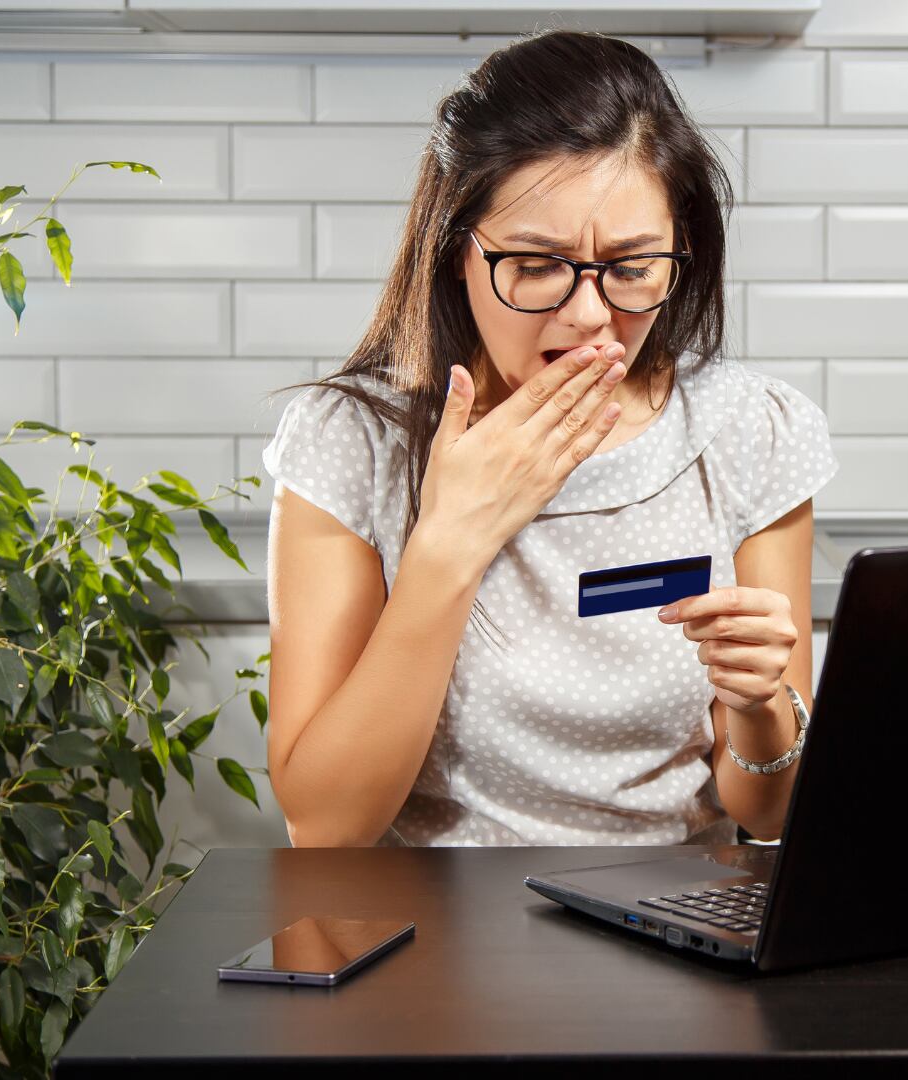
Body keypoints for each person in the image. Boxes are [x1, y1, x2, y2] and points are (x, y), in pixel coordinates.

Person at [259, 30, 839, 849]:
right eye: (535, 264)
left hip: (675, 928)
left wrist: (760, 708)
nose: (590, 317)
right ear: (455, 253)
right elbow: (326, 826)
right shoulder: (352, 440)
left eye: (633, 267)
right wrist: (452, 539)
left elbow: (768, 813)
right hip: (436, 936)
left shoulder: (749, 431)